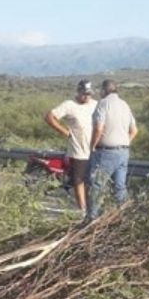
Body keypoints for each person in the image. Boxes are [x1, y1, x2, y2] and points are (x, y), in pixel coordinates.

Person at [86, 79, 138, 220]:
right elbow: (134, 130)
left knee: (96, 185)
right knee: (120, 187)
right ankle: (124, 217)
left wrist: (92, 146)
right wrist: (125, 142)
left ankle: (92, 219)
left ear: (104, 90)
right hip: (123, 152)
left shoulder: (103, 104)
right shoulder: (125, 105)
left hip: (106, 152)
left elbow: (99, 128)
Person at [45, 80, 97, 213]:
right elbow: (50, 117)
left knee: (92, 181)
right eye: (84, 94)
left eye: (89, 94)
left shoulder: (96, 105)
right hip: (78, 150)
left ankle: (93, 208)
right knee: (78, 180)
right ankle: (83, 210)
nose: (87, 97)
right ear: (78, 92)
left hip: (94, 150)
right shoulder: (69, 105)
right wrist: (65, 132)